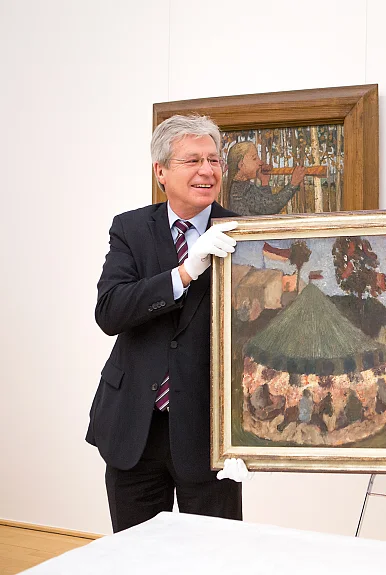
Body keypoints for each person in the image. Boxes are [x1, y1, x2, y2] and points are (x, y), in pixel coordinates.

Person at [86, 114, 244, 532]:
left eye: (213, 160)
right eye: (193, 160)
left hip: (209, 435)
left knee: (213, 555)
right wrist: (184, 273)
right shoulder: (130, 228)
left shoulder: (242, 233)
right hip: (134, 426)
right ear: (161, 172)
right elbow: (110, 311)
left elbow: (254, 334)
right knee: (135, 555)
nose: (207, 170)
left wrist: (248, 436)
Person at [224, 141, 306, 215]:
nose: (260, 162)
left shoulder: (243, 186)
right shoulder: (243, 190)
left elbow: (263, 204)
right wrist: (293, 184)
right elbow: (272, 207)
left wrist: (264, 182)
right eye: (254, 158)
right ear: (241, 165)